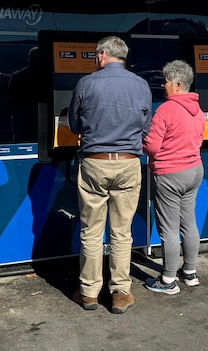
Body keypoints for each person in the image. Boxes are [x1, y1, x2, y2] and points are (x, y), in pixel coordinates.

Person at [67, 35, 152, 314]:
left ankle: (89, 293)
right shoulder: (141, 85)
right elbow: (145, 126)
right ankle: (119, 293)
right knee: (121, 232)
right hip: (128, 163)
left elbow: (74, 123)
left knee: (91, 231)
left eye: (96, 55)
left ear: (102, 55)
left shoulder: (86, 83)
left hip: (94, 162)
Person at [142, 59, 205, 295]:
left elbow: (152, 148)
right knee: (188, 223)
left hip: (170, 174)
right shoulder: (198, 110)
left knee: (168, 228)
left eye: (166, 81)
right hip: (194, 171)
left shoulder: (166, 110)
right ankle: (189, 273)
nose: (163, 85)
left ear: (177, 84)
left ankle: (168, 280)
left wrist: (140, 140)